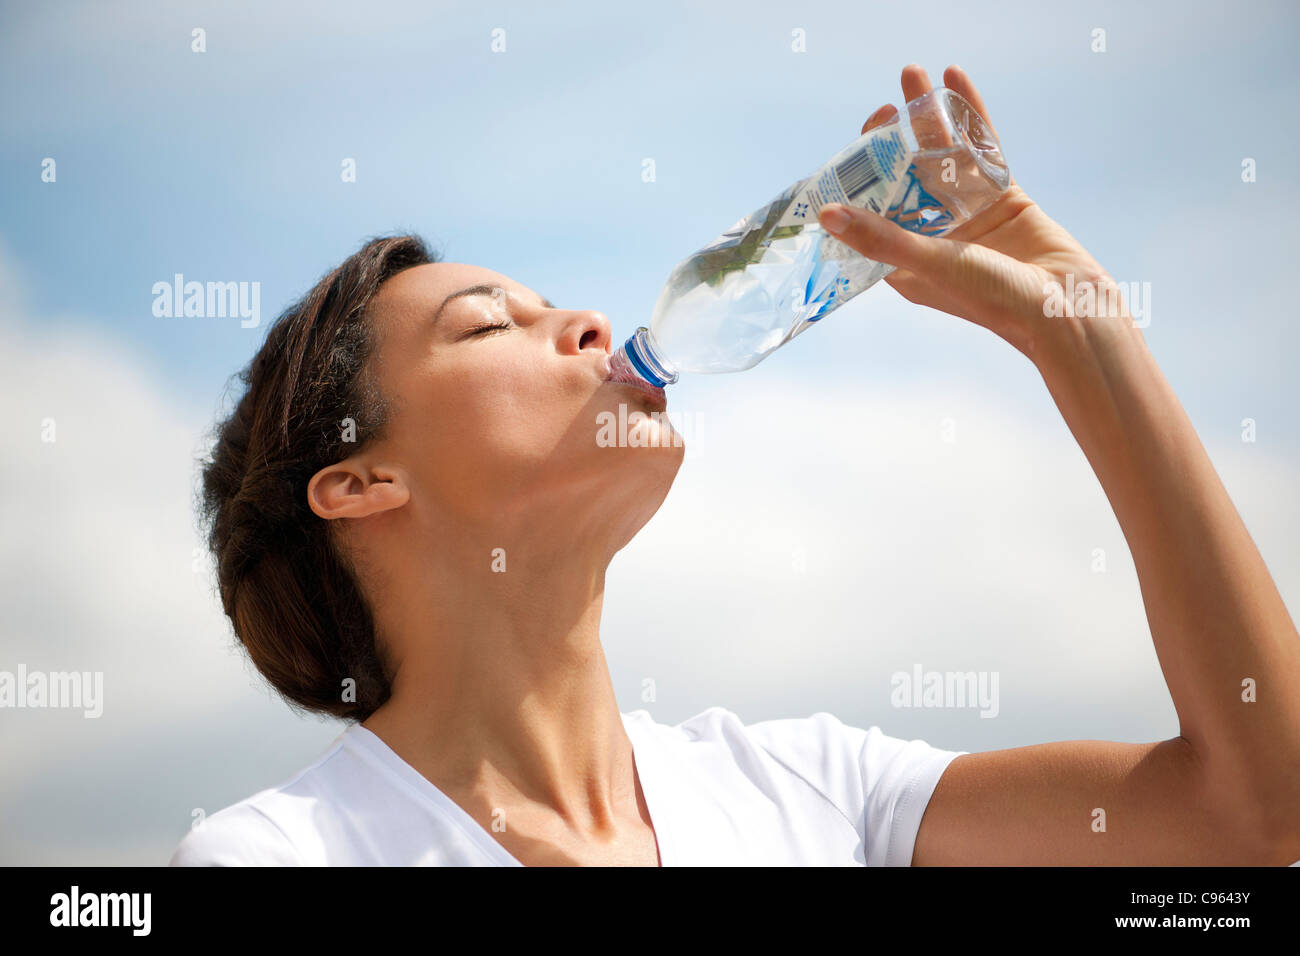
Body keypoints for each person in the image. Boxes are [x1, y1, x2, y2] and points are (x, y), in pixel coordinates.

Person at [170, 64, 1300, 866]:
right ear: (360, 485)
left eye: (554, 304)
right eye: (483, 326)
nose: (587, 326)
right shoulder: (276, 853)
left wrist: (1085, 334)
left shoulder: (817, 794)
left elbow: (1257, 814)